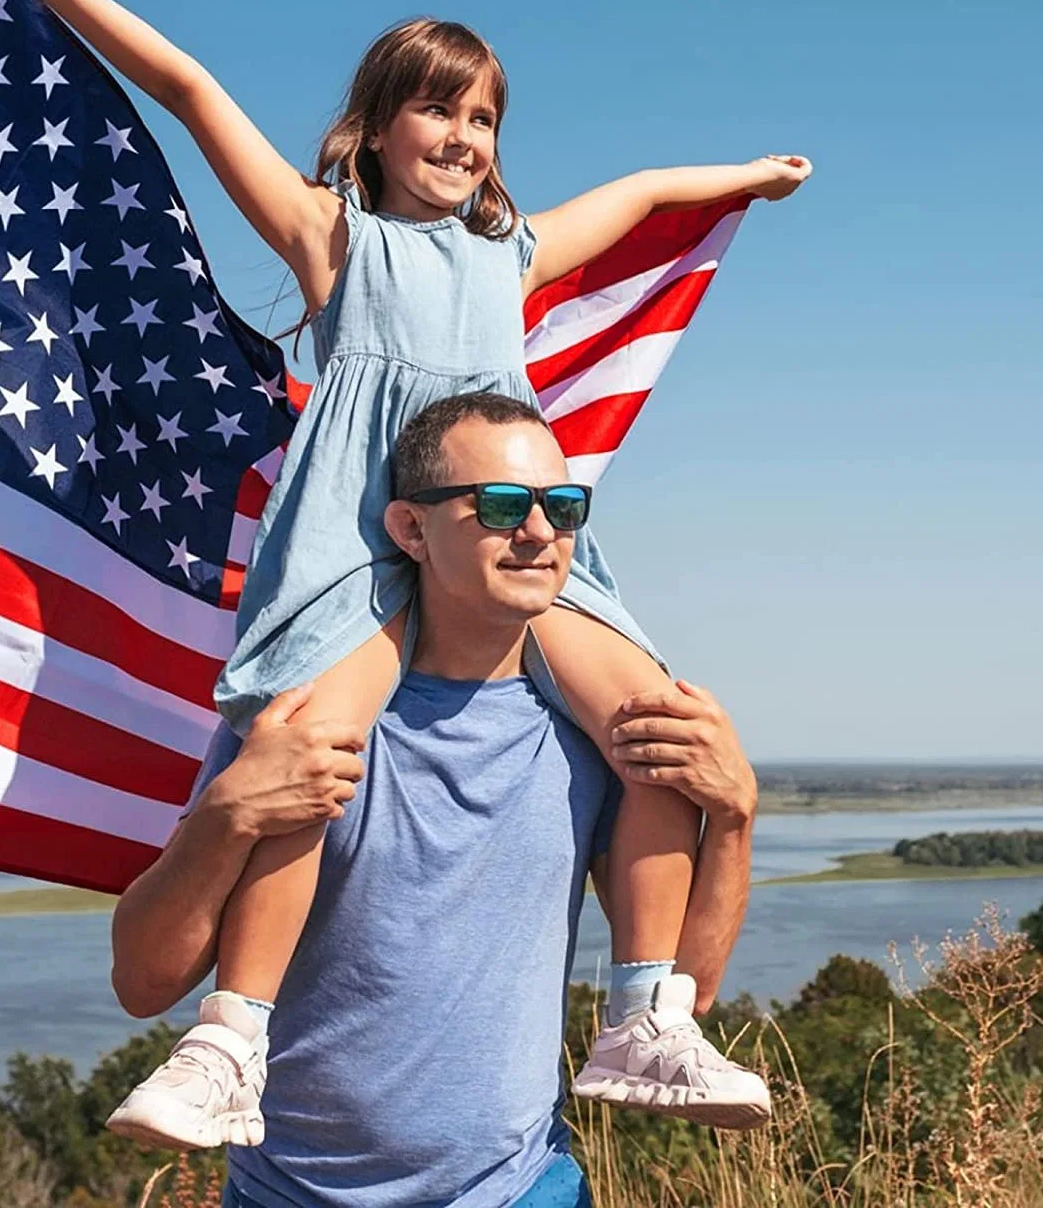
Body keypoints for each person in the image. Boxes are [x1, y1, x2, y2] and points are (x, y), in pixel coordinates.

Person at [0, 0, 809, 1146]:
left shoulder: (510, 257)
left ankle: (645, 1016)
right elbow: (192, 89)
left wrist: (743, 175)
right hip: (358, 546)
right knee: (308, 750)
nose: (466, 140)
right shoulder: (334, 238)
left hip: (504, 526)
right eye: (439, 111)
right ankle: (229, 1042)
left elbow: (633, 198)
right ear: (374, 128)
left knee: (656, 727)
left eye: (485, 121)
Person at [110, 392, 763, 1208]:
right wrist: (226, 815)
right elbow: (142, 981)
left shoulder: (596, 743)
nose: (537, 533)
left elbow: (685, 994)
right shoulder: (304, 726)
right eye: (497, 505)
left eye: (562, 508)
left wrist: (735, 817)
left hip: (523, 1191)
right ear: (411, 530)